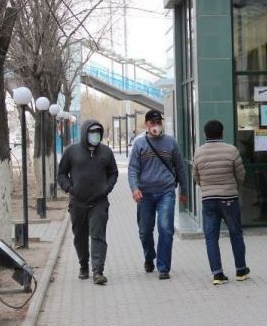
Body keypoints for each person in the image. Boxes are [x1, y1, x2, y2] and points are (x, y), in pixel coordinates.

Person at [128, 109, 188, 280]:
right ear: (146, 124)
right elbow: (133, 169)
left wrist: (184, 191)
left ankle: (163, 267)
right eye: (152, 123)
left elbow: (180, 167)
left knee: (166, 229)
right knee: (145, 231)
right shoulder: (139, 143)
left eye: (158, 122)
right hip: (145, 194)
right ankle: (149, 257)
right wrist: (134, 188)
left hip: (166, 192)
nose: (156, 125)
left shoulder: (171, 142)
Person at [58, 120, 118, 285]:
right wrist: (70, 188)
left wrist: (106, 188)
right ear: (85, 133)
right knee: (80, 236)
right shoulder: (71, 151)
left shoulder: (106, 152)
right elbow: (61, 174)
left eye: (98, 132)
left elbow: (113, 173)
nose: (95, 135)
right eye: (92, 132)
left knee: (97, 235)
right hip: (78, 202)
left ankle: (98, 271)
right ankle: (83, 265)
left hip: (99, 201)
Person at [193, 120, 250, 285]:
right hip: (229, 198)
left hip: (208, 200)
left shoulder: (199, 152)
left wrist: (207, 188)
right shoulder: (231, 150)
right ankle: (241, 270)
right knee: (236, 234)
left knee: (211, 237)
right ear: (222, 133)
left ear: (205, 134)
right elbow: (240, 174)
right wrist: (233, 187)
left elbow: (196, 176)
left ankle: (217, 274)